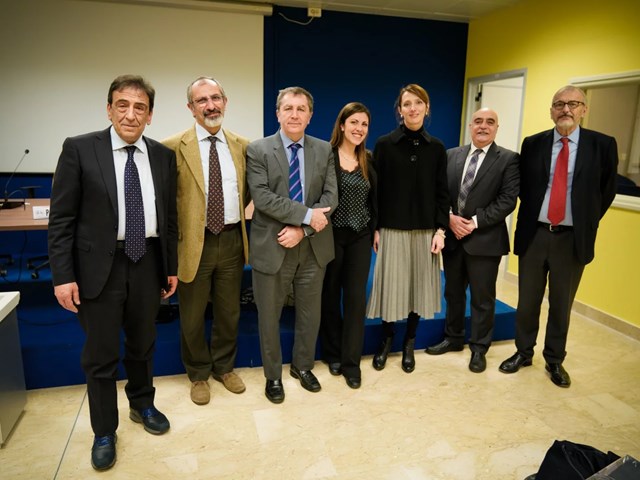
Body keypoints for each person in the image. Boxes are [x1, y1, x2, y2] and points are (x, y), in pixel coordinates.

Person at [48, 75, 177, 471]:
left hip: (148, 262)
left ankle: (142, 404)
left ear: (150, 115)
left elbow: (169, 217)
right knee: (101, 354)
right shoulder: (79, 149)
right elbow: (61, 220)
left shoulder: (163, 156)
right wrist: (62, 276)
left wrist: (169, 267)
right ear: (109, 109)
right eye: (122, 105)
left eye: (140, 107)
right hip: (97, 268)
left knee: (143, 344)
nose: (130, 114)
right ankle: (104, 430)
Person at [499, 85, 618, 388]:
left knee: (561, 303)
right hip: (535, 235)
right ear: (551, 110)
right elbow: (525, 188)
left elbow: (606, 191)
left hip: (571, 239)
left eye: (573, 104)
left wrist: (583, 221)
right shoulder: (533, 143)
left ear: (584, 110)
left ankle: (554, 359)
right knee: (527, 301)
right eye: (559, 104)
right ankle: (523, 352)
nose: (566, 109)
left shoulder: (602, 145)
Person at [247, 86, 338, 404]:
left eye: (301, 109)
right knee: (269, 316)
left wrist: (303, 229)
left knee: (310, 314)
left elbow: (331, 197)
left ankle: (303, 366)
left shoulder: (324, 149)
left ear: (310, 116)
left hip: (312, 246)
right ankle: (273, 375)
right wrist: (307, 216)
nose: (295, 114)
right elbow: (263, 198)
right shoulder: (258, 150)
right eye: (288, 108)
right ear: (278, 113)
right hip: (272, 245)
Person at [163, 77, 250, 405]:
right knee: (192, 314)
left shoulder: (242, 145)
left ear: (225, 102)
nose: (210, 105)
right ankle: (198, 372)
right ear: (191, 108)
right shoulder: (172, 147)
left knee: (229, 312)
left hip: (231, 240)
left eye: (215, 98)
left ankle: (224, 367)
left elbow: (248, 193)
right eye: (202, 100)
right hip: (192, 244)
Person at [425, 108, 519, 373]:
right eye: (478, 121)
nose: (483, 126)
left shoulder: (509, 159)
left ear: (497, 128)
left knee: (482, 298)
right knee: (453, 292)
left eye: (490, 122)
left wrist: (474, 222)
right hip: (453, 238)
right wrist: (450, 219)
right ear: (470, 126)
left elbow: (507, 200)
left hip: (485, 240)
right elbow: (440, 193)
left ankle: (479, 348)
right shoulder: (451, 155)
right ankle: (453, 338)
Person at [366, 83, 449, 373]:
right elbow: (375, 192)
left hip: (426, 231)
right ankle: (387, 339)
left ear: (427, 108)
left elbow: (442, 193)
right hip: (392, 229)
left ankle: (409, 342)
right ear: (399, 110)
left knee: (417, 289)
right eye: (407, 104)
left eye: (418, 103)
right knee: (391, 288)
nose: (413, 108)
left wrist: (441, 230)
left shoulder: (437, 148)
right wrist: (376, 228)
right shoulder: (384, 145)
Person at [320, 102, 377, 389]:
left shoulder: (369, 159)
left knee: (356, 300)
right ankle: (332, 353)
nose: (359, 128)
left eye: (364, 124)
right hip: (331, 235)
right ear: (342, 125)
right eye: (354, 122)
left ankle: (351, 363)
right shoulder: (326, 157)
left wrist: (376, 229)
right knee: (330, 295)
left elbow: (375, 199)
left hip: (360, 236)